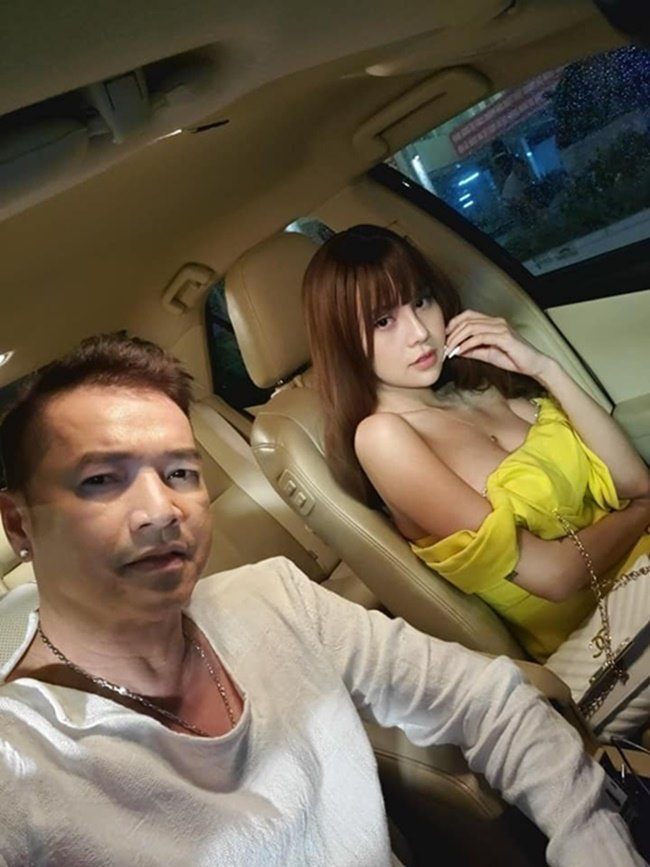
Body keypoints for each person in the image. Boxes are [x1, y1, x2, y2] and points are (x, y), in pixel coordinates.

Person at [0, 333, 645, 866]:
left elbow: (492, 701)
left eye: (180, 473)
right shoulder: (21, 764)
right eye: (101, 480)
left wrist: (593, 842)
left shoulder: (273, 597)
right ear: (19, 524)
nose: (162, 509)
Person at [302, 224, 650, 733]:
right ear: (344, 342)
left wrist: (544, 368)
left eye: (421, 301)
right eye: (383, 321)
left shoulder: (480, 389)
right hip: (602, 638)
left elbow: (634, 483)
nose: (419, 332)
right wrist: (640, 513)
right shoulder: (383, 438)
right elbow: (554, 577)